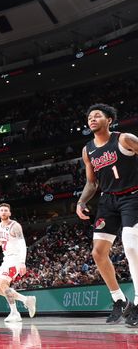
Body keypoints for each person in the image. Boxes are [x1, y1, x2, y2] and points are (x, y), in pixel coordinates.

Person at [76, 103, 138, 326]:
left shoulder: (124, 139)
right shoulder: (87, 150)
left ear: (109, 120)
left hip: (132, 196)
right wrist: (81, 201)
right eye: (89, 117)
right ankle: (119, 299)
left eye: (97, 116)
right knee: (98, 253)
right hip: (107, 200)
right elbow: (91, 183)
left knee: (131, 246)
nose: (92, 119)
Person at [0, 203, 36, 322]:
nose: (4, 212)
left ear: (10, 213)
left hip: (15, 259)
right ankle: (26, 300)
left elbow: (22, 244)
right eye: (2, 210)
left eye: (6, 210)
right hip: (6, 260)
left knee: (3, 283)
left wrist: (22, 262)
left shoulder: (15, 226)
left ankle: (15, 313)